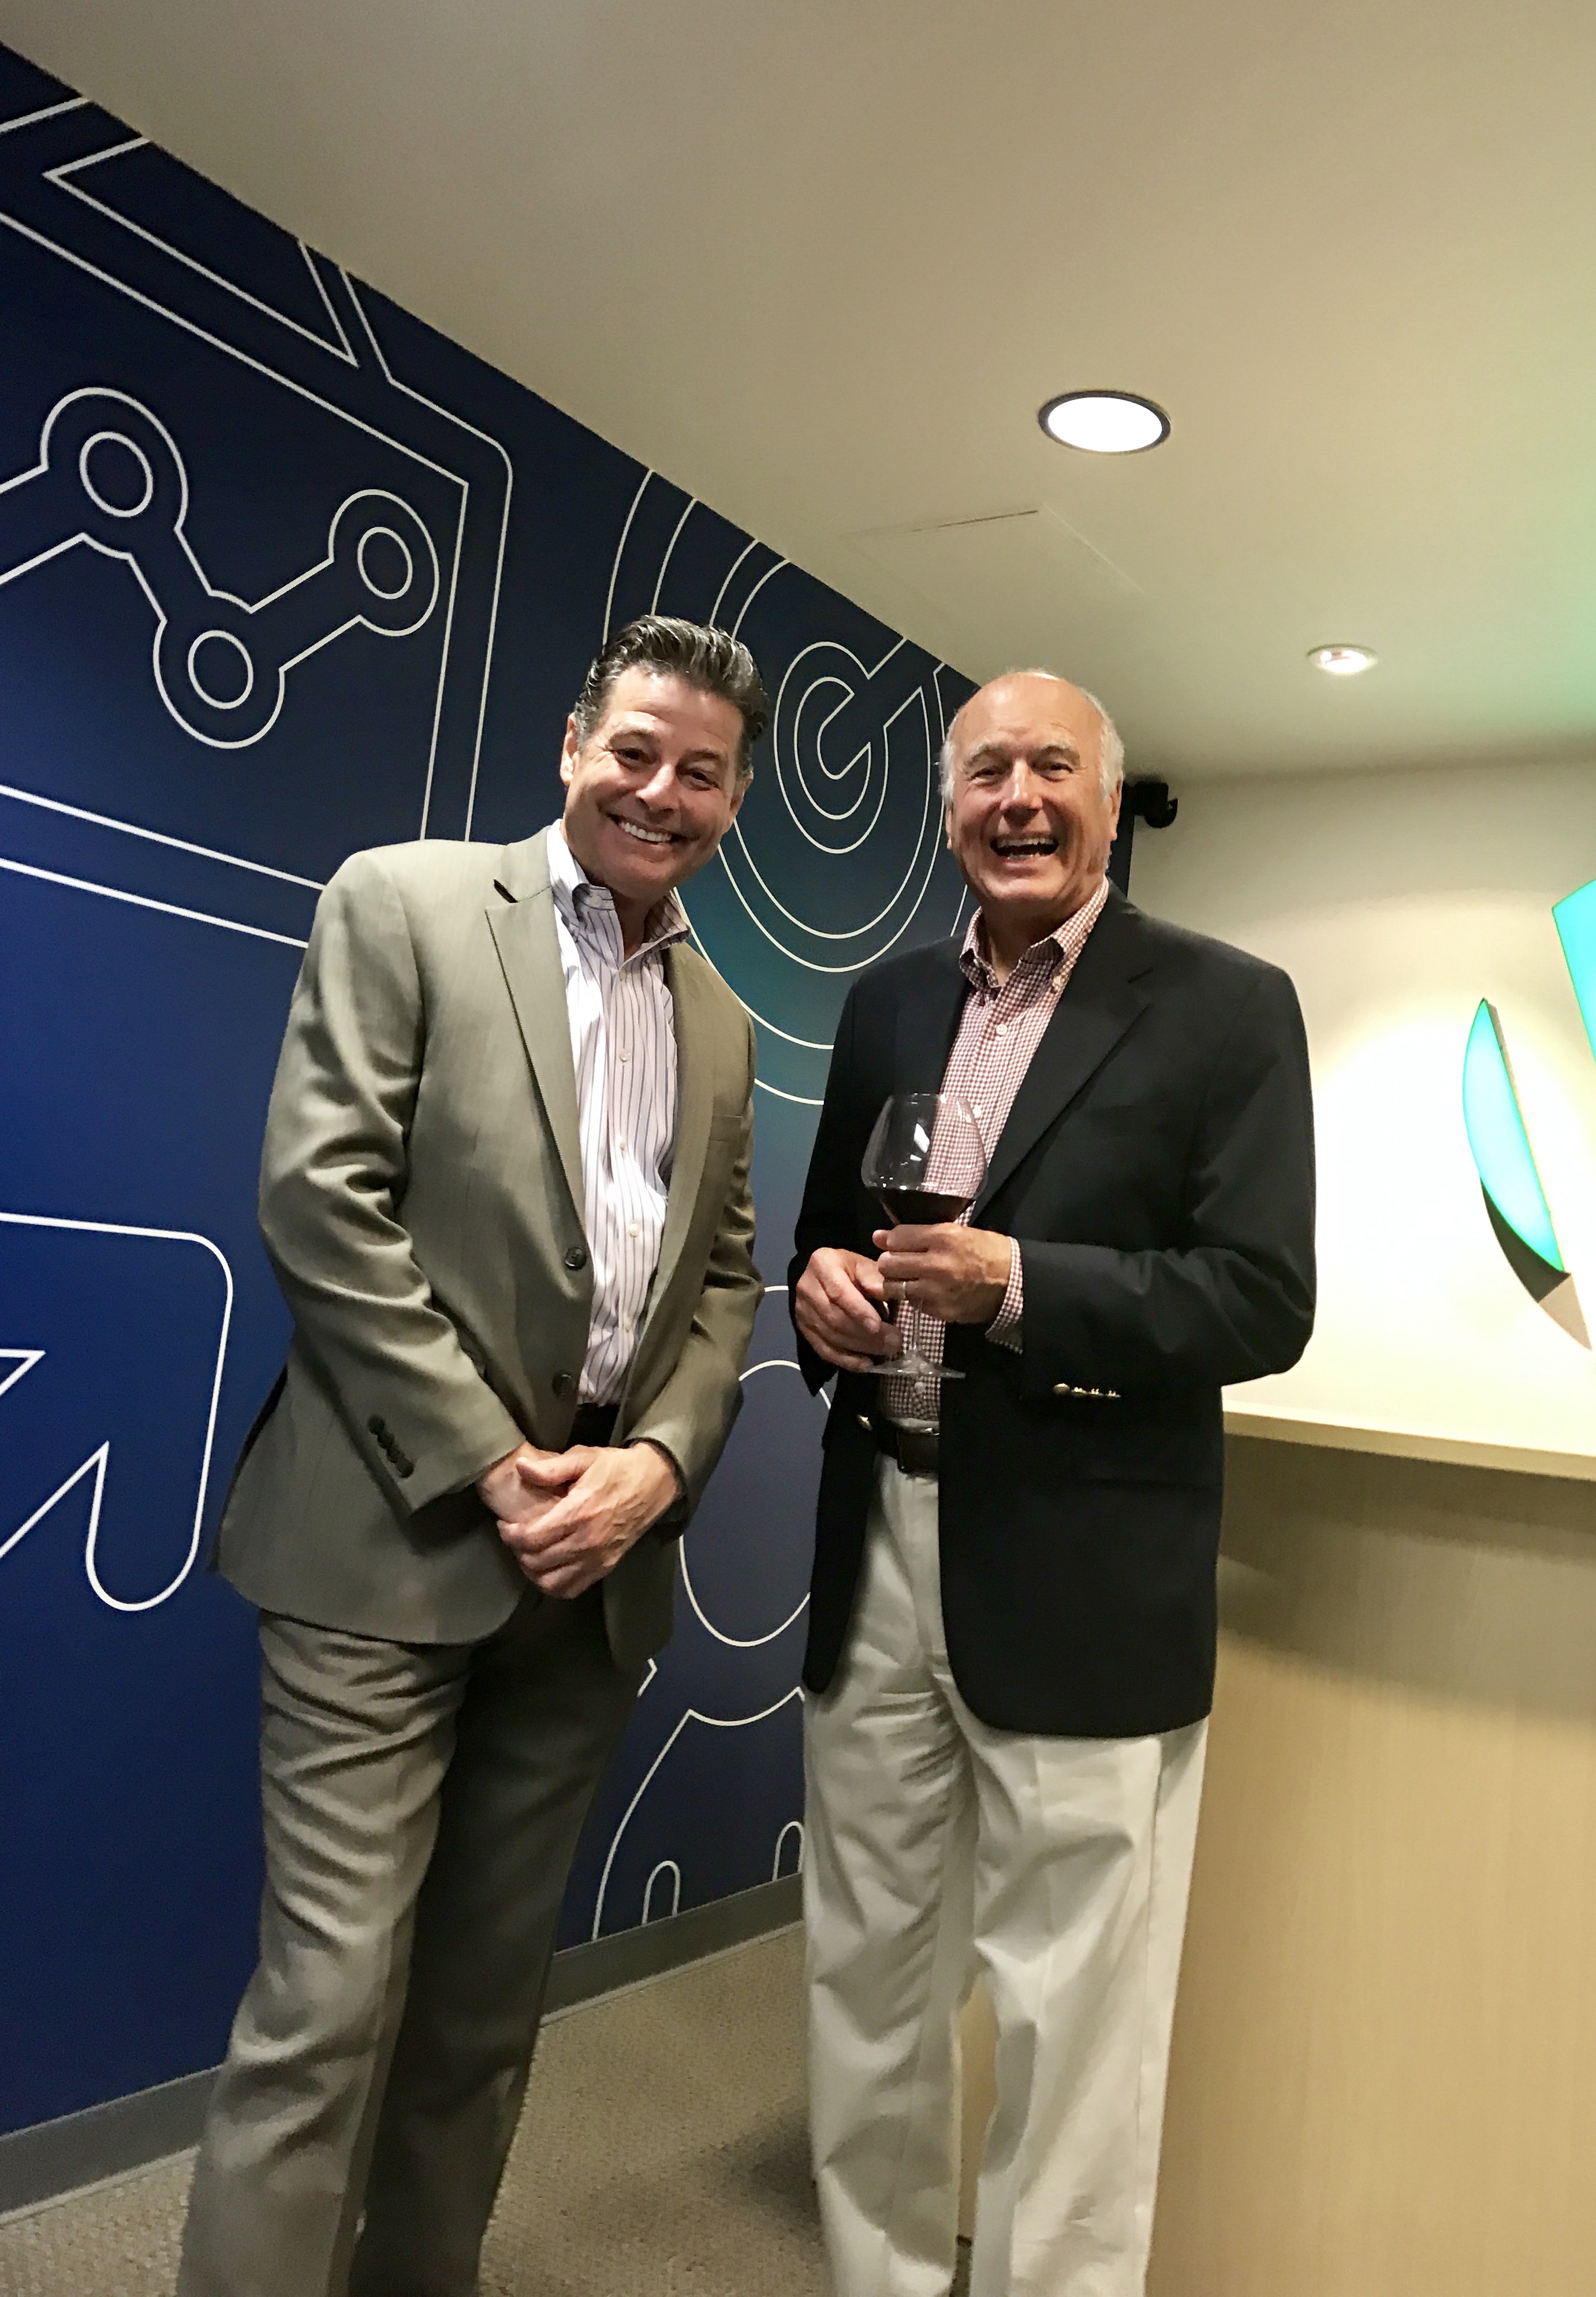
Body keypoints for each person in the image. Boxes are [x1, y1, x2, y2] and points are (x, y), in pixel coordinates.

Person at [177, 616, 766, 2297]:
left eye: (704, 772)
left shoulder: (724, 1020)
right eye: (635, 751)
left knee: (486, 2014)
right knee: (330, 2010)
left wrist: (659, 1467)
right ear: (572, 748)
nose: (662, 793)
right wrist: (496, 1463)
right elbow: (322, 1200)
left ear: (734, 801)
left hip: (593, 1579)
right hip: (389, 1543)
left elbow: (725, 1282)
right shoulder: (408, 903)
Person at [790, 669, 1315, 2297]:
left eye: (1052, 767)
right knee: (865, 1983)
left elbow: (1261, 1301)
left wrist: (1019, 1283)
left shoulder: (1227, 1004)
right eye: (985, 771)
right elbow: (824, 1234)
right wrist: (820, 1296)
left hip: (1085, 1570)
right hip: (881, 1537)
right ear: (948, 804)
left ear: (1108, 795)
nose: (1017, 798)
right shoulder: (886, 1002)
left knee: (1075, 2016)